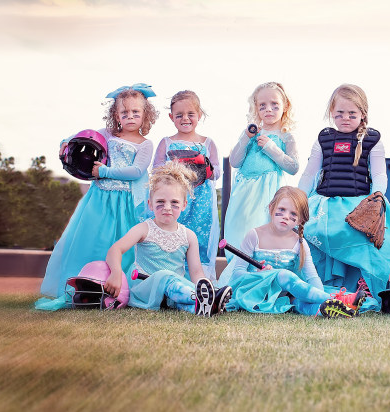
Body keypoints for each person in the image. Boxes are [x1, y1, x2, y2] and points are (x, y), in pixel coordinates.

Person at [36, 84, 158, 311]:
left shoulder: (145, 144)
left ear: (146, 115)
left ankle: (121, 289)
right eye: (124, 113)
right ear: (116, 115)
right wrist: (66, 141)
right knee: (93, 241)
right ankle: (83, 286)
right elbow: (81, 137)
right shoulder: (106, 134)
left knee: (125, 245)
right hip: (100, 200)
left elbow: (137, 172)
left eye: (136, 112)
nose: (130, 116)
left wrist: (104, 171)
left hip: (127, 204)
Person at [298, 84, 390, 306]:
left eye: (352, 114)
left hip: (359, 205)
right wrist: (298, 199)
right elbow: (310, 173)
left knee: (371, 238)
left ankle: (371, 288)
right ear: (332, 113)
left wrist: (376, 198)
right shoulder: (324, 138)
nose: (345, 118)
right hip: (326, 205)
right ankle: (324, 288)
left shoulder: (372, 140)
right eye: (339, 114)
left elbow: (379, 175)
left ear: (363, 114)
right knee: (308, 230)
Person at [217, 186, 366, 318]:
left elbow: (312, 277)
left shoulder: (299, 242)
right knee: (283, 275)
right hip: (256, 293)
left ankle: (332, 309)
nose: (286, 216)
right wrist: (261, 274)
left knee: (301, 304)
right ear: (271, 208)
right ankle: (337, 300)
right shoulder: (254, 235)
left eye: (293, 214)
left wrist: (316, 295)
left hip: (285, 297)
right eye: (281, 210)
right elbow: (237, 273)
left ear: (300, 220)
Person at [108, 161, 230, 317]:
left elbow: (196, 272)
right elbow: (115, 250)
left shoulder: (188, 235)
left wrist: (204, 285)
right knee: (165, 275)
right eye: (160, 202)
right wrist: (116, 272)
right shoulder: (144, 229)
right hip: (146, 288)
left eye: (174, 203)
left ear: (184, 205)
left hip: (175, 292)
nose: (167, 207)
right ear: (150, 204)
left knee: (180, 294)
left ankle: (202, 306)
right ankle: (205, 298)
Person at [224, 82, 300, 262]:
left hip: (268, 191)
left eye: (275, 105)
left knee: (261, 228)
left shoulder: (286, 135)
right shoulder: (251, 132)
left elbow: (293, 167)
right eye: (262, 106)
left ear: (285, 106)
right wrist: (245, 138)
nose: (269, 110)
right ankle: (237, 270)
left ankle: (261, 266)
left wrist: (271, 147)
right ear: (256, 108)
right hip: (244, 192)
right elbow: (235, 161)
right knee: (239, 229)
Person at [153, 90, 221, 282]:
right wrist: (173, 166)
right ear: (171, 117)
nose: (185, 118)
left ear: (199, 115)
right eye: (179, 115)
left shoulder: (207, 142)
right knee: (172, 231)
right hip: (174, 199)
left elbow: (217, 171)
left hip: (201, 200)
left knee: (200, 234)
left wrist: (205, 167)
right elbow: (156, 169)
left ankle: (200, 279)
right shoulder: (166, 143)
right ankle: (170, 274)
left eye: (191, 114)